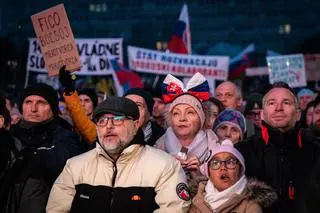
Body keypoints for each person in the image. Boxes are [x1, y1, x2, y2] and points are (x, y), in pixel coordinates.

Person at [46, 97, 191, 213]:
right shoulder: (75, 166)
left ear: (135, 126)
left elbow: (173, 209)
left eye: (118, 119)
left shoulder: (164, 165)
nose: (108, 126)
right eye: (102, 121)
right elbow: (56, 209)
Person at [0, 83, 85, 213]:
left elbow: (62, 159)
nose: (33, 108)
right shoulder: (10, 135)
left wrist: (29, 156)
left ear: (53, 108)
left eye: (41, 103)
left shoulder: (65, 136)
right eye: (28, 102)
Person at [236, 82, 320, 213]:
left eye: (286, 102)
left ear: (298, 114)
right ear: (262, 114)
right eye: (271, 103)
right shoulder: (242, 152)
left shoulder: (315, 151)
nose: (278, 108)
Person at [156, 73, 219, 196]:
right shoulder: (157, 148)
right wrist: (167, 168)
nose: (182, 118)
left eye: (190, 112)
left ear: (201, 119)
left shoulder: (216, 147)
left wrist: (199, 174)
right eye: (176, 113)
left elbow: (223, 190)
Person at [189, 140, 277, 213]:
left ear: (240, 170)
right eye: (215, 163)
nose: (223, 168)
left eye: (230, 162)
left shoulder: (250, 206)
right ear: (209, 173)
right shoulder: (195, 200)